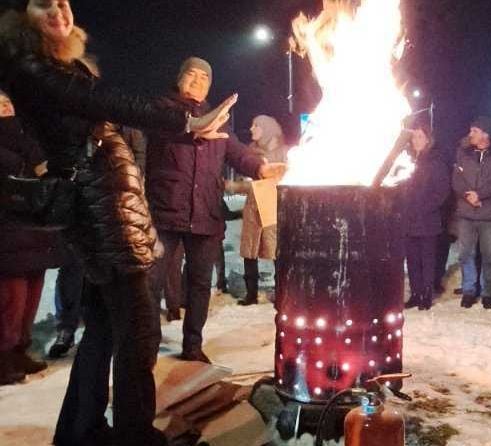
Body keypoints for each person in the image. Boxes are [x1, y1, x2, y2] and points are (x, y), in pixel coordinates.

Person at [0, 1, 281, 444]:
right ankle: (134, 435)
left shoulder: (56, 66)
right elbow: (104, 101)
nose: (58, 10)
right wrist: (185, 121)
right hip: (100, 208)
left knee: (106, 326)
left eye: (63, 2)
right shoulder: (31, 68)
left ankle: (80, 430)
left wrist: (199, 130)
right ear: (24, 14)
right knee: (139, 325)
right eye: (43, 3)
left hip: (109, 204)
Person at [146, 58, 274, 362]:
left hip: (205, 213)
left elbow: (237, 153)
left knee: (200, 284)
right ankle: (146, 346)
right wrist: (194, 128)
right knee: (151, 283)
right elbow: (165, 131)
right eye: (191, 74)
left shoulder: (218, 119)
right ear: (179, 78)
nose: (198, 81)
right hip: (166, 212)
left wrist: (262, 168)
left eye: (205, 77)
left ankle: (193, 344)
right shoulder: (161, 110)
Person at [0, 90, 62, 384]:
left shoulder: (27, 137)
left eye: (8, 102)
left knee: (32, 292)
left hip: (34, 226)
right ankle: (3, 356)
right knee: (12, 297)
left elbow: (45, 172)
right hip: (8, 228)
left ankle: (21, 349)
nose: (5, 107)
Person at [225, 115, 289, 306]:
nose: (251, 129)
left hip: (274, 207)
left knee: (277, 252)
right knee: (249, 251)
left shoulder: (284, 153)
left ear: (268, 129)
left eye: (256, 126)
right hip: (254, 208)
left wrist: (236, 187)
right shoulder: (251, 152)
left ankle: (282, 294)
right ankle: (251, 294)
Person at [452, 116, 491, 309]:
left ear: (485, 134)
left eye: (475, 131)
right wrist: (468, 195)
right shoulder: (463, 153)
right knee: (466, 254)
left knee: (489, 255)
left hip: (488, 215)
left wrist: (480, 195)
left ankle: (487, 292)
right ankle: (469, 290)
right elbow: (456, 179)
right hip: (466, 214)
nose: (471, 134)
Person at [401, 125, 450, 310]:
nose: (416, 141)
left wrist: (425, 207)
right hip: (409, 219)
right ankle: (415, 293)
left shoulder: (435, 161)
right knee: (412, 259)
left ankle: (427, 294)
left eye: (420, 137)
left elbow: (442, 191)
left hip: (427, 219)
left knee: (427, 259)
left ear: (428, 139)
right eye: (414, 137)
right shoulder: (407, 161)